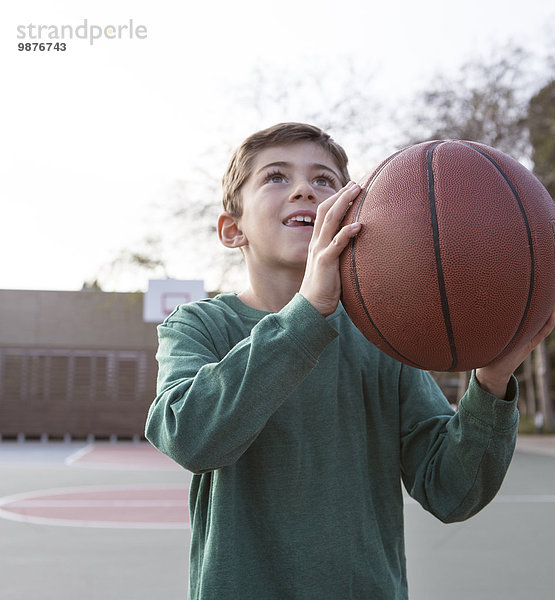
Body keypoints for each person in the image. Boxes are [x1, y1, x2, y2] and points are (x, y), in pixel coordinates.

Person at [145, 122, 554, 600]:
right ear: (232, 230)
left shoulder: (380, 334)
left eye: (324, 180)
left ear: (351, 214)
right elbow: (192, 439)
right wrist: (305, 316)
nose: (304, 188)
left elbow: (452, 492)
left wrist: (491, 381)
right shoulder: (197, 326)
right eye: (275, 177)